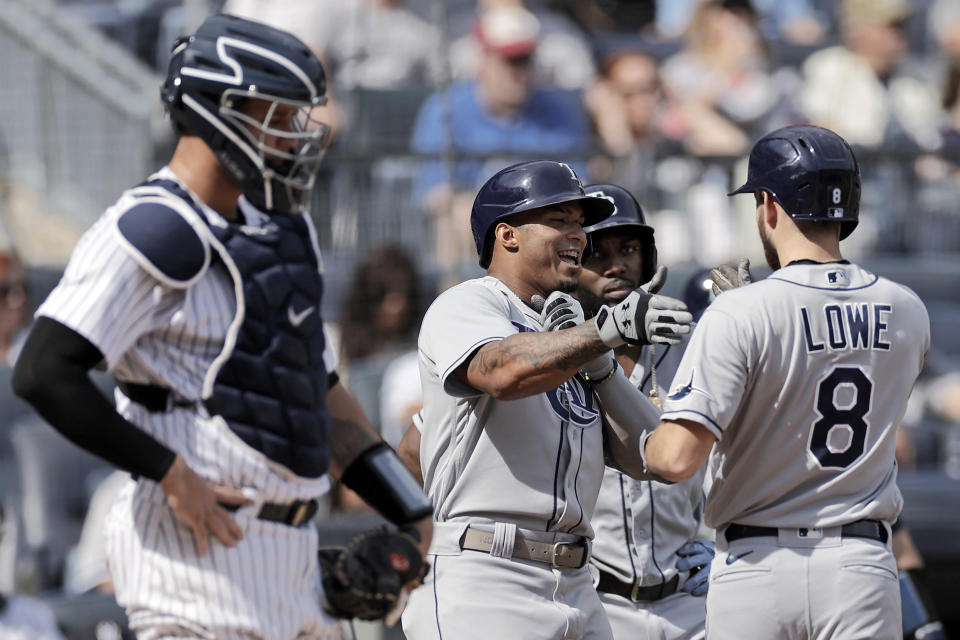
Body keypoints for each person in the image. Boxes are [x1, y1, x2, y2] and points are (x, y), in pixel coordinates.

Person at [12, 14, 432, 640]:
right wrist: (168, 472)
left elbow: (316, 390)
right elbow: (44, 370)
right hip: (194, 550)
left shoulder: (287, 230)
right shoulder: (153, 225)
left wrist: (410, 507)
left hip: (294, 554)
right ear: (219, 111)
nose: (298, 135)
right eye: (280, 116)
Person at [631, 124, 930, 638]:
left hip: (758, 566)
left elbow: (674, 459)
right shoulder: (908, 309)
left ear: (769, 204)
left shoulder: (739, 312)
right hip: (862, 562)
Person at [399, 160, 694, 639]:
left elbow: (654, 458)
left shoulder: (569, 336)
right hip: (486, 575)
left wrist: (600, 364)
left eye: (580, 223)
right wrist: (602, 332)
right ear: (508, 235)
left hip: (577, 583)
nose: (578, 234)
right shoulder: (470, 302)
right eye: (559, 221)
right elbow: (500, 372)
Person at [578, 184, 712, 640]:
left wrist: (726, 543)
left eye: (630, 248)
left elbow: (743, 453)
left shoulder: (693, 348)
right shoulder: (553, 356)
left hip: (691, 602)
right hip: (598, 604)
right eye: (598, 252)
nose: (617, 264)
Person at [410, 4, 592, 286]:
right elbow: (436, 193)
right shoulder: (446, 107)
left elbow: (578, 184)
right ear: (483, 59)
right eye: (509, 60)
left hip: (542, 224)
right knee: (454, 217)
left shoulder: (558, 110)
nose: (519, 71)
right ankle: (456, 315)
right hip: (474, 230)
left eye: (525, 60)